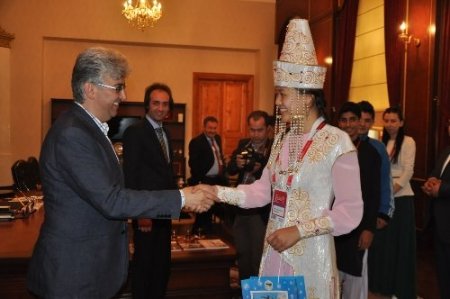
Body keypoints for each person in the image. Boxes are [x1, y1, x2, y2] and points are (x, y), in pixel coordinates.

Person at [26, 47, 215, 299]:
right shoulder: (73, 134)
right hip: (74, 275)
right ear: (90, 88)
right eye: (118, 87)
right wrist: (181, 198)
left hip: (90, 270)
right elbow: (112, 200)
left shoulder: (88, 129)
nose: (124, 95)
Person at [198, 18, 363, 298]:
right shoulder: (283, 141)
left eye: (282, 95)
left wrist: (298, 231)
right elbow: (262, 193)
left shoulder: (337, 141)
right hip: (274, 249)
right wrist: (217, 192)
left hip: (311, 254)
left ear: (307, 98)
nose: (277, 103)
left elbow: (351, 212)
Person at [122, 83, 176, 298]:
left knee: (162, 266)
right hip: (146, 214)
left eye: (165, 104)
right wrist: (141, 213)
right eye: (156, 103)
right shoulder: (135, 132)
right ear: (147, 105)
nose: (161, 108)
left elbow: (165, 174)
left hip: (165, 210)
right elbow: (131, 175)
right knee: (144, 268)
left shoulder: (166, 133)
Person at [369, 106, 417, 298]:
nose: (389, 125)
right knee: (383, 246)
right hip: (385, 200)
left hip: (402, 199)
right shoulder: (382, 142)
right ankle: (382, 285)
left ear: (401, 122)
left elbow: (408, 172)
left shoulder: (408, 141)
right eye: (386, 121)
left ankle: (400, 288)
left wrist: (389, 193)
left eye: (393, 121)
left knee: (399, 246)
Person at [336, 102, 381, 299]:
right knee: (331, 277)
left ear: (359, 122)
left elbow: (373, 194)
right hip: (333, 224)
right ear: (338, 123)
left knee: (355, 283)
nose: (348, 125)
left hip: (359, 226)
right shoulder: (330, 149)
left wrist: (369, 228)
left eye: (352, 120)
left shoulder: (370, 153)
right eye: (344, 120)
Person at [227, 110, 273, 281]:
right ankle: (245, 289)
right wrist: (237, 164)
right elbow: (229, 170)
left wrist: (259, 170)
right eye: (252, 130)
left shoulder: (273, 147)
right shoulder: (243, 144)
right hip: (240, 208)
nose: (255, 134)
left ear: (268, 129)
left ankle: (258, 291)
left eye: (259, 130)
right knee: (242, 254)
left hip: (259, 211)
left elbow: (277, 177)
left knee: (257, 256)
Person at [422, 118, 450, 299]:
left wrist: (442, 188)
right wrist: (431, 182)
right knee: (443, 275)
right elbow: (436, 172)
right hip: (440, 225)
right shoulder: (446, 150)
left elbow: (445, 184)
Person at [188, 116, 228, 234]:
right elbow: (193, 164)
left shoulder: (218, 139)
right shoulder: (196, 142)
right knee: (204, 212)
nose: (212, 131)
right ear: (204, 127)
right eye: (210, 128)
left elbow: (218, 156)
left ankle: (214, 235)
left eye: (215, 128)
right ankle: (198, 235)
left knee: (220, 210)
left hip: (218, 180)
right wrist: (199, 182)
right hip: (205, 181)